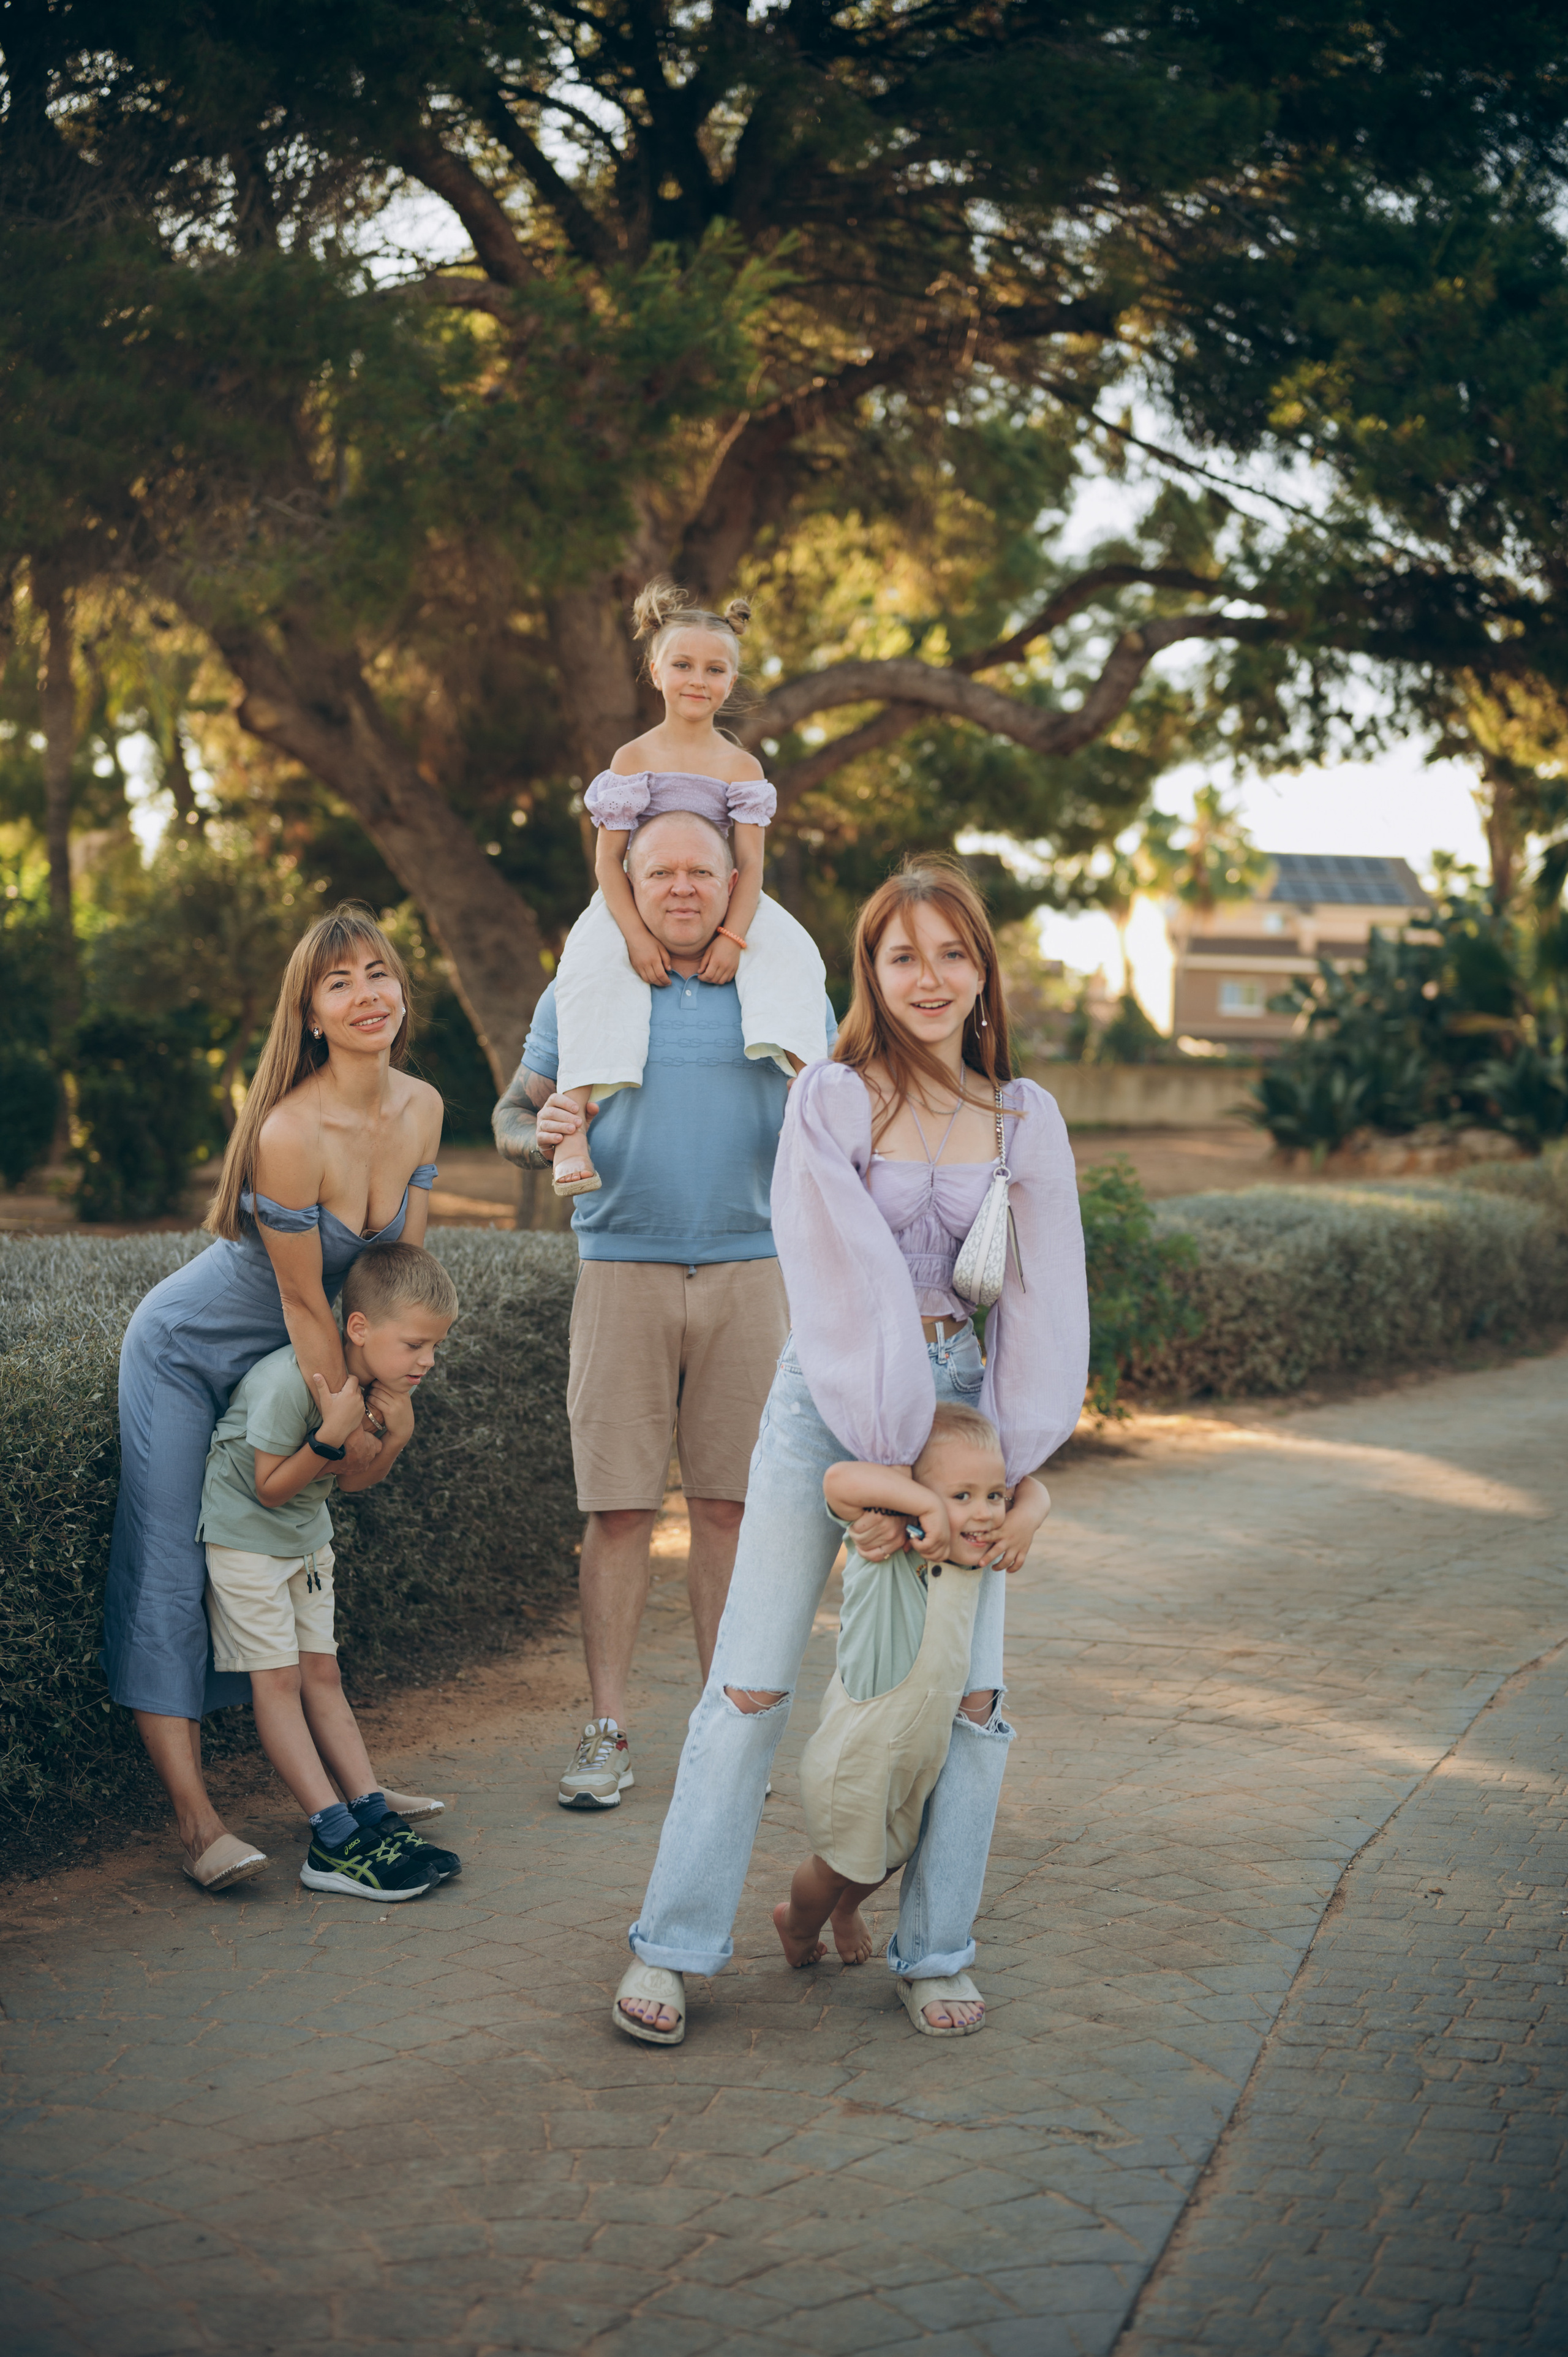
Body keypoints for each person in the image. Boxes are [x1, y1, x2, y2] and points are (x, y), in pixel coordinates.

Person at [612, 855, 1089, 2046]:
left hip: (966, 1413)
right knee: (751, 1679)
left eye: (950, 953)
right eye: (899, 954)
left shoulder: (1022, 1117)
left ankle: (935, 1951)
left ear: (981, 972)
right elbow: (839, 1281)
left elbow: (1042, 1300)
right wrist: (887, 1467)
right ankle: (671, 1947)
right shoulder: (832, 1100)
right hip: (825, 1403)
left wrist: (1018, 1476)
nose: (927, 977)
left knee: (971, 1702)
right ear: (868, 975)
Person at [493, 810, 837, 1810]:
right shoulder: (587, 985)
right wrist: (536, 1131)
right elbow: (513, 1114)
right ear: (628, 888)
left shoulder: (784, 988)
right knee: (619, 1512)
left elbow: (844, 1114)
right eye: (658, 872)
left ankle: (725, 1731)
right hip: (620, 1269)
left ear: (738, 883)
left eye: (701, 870)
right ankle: (606, 1728)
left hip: (753, 1272)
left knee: (734, 1510)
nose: (681, 887)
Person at [104, 904, 447, 1893]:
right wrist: (346, 1413)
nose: (366, 993)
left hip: (287, 1359)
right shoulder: (291, 1131)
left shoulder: (422, 1107)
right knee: (172, 1567)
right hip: (190, 1352)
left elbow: (396, 1277)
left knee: (299, 1561)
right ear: (310, 1015)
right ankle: (195, 1819)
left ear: (401, 991)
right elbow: (303, 1300)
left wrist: (395, 1401)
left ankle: (356, 1791)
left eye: (378, 972)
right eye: (339, 982)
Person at [197, 1242, 462, 1901]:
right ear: (360, 1328)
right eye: (415, 1344)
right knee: (280, 1680)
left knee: (323, 1672)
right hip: (248, 1542)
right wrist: (329, 1434)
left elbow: (352, 1482)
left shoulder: (378, 1387)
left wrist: (393, 1438)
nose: (427, 1360)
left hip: (306, 1542)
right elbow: (268, 1489)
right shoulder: (293, 1382)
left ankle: (369, 1811)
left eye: (435, 1346)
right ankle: (332, 1839)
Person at [548, 577, 826, 1197]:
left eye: (714, 669)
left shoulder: (740, 767)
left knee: (794, 954)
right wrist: (634, 938)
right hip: (638, 896)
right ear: (655, 671)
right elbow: (608, 863)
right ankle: (572, 1127)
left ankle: (817, 1103)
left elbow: (749, 867)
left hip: (724, 896)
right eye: (683, 665)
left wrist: (731, 935)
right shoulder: (631, 759)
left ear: (731, 680)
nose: (697, 679)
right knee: (586, 967)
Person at [775, 1404, 1031, 2027]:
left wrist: (1028, 1516)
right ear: (914, 1497)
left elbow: (1036, 1483)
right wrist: (924, 1506)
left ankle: (844, 1910)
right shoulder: (884, 1552)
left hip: (916, 1760)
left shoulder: (978, 1553)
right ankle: (798, 1920)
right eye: (962, 1494)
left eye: (992, 1495)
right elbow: (839, 1481)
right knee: (837, 1863)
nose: (983, 1511)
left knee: (888, 1857)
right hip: (855, 1760)